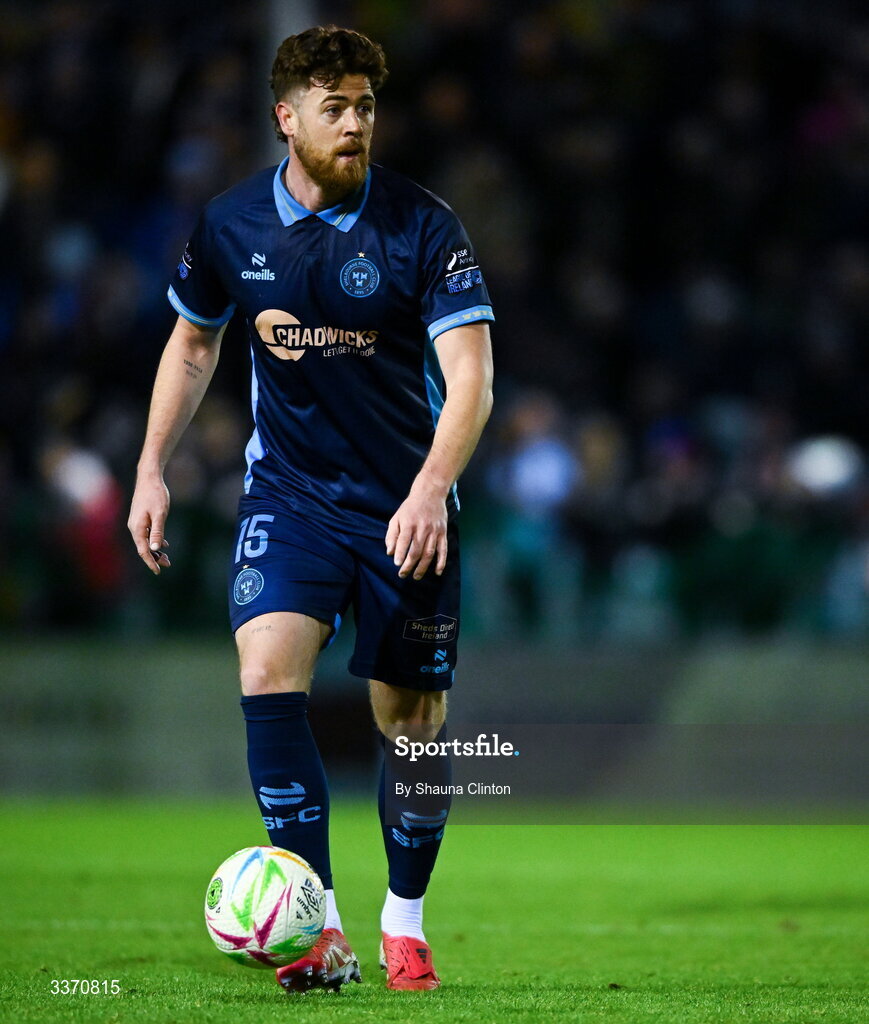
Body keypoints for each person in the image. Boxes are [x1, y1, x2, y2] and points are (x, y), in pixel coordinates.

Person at [127, 26, 494, 994]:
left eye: (366, 105)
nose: (356, 123)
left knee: (410, 724)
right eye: (335, 106)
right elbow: (194, 344)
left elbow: (470, 380)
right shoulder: (230, 224)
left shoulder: (422, 225)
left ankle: (403, 924)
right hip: (288, 499)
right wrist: (151, 468)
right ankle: (315, 928)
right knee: (264, 670)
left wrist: (426, 490)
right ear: (285, 118)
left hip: (404, 510)